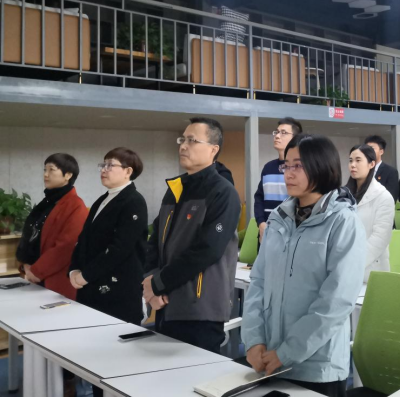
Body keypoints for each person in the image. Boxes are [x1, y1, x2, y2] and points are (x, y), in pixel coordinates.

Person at [242, 134, 366, 397]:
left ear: (321, 166)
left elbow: (336, 301)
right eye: (286, 165)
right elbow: (259, 282)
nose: (288, 173)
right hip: (269, 357)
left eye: (298, 165)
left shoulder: (343, 222)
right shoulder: (278, 218)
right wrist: (253, 340)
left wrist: (287, 352)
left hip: (317, 367)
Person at [144, 117, 241, 353]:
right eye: (182, 140)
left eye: (192, 140)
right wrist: (151, 281)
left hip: (200, 308)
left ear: (213, 150)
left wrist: (158, 283)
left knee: (198, 374)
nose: (183, 146)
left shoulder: (223, 192)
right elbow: (156, 240)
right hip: (166, 303)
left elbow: (207, 250)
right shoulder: (175, 190)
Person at [69, 148, 148, 325]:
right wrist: (74, 269)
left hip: (117, 289)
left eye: (110, 165)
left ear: (128, 171)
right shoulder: (102, 199)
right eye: (103, 165)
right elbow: (84, 238)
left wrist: (86, 275)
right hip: (91, 283)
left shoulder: (134, 201)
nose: (104, 170)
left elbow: (120, 248)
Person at [16, 153, 88, 299]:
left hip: (54, 279)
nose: (45, 174)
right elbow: (31, 235)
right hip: (34, 275)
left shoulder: (76, 206)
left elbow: (66, 246)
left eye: (51, 170)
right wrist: (26, 265)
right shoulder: (47, 202)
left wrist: (37, 271)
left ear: (68, 175)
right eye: (45, 170)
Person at [347, 144, 394, 282]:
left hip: (370, 269)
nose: (353, 165)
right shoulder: (344, 194)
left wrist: (353, 263)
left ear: (371, 164)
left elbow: (380, 238)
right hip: (344, 265)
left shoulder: (383, 196)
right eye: (350, 160)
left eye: (358, 160)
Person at [255, 117, 303, 243]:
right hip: (266, 233)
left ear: (295, 139)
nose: (277, 136)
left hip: (289, 235)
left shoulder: (301, 168)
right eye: (276, 132)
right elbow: (259, 197)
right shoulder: (268, 167)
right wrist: (261, 223)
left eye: (283, 133)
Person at [364, 134, 399, 202]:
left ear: (381, 152)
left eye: (372, 148)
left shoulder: (390, 172)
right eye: (367, 149)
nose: (368, 151)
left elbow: (391, 197)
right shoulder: (362, 170)